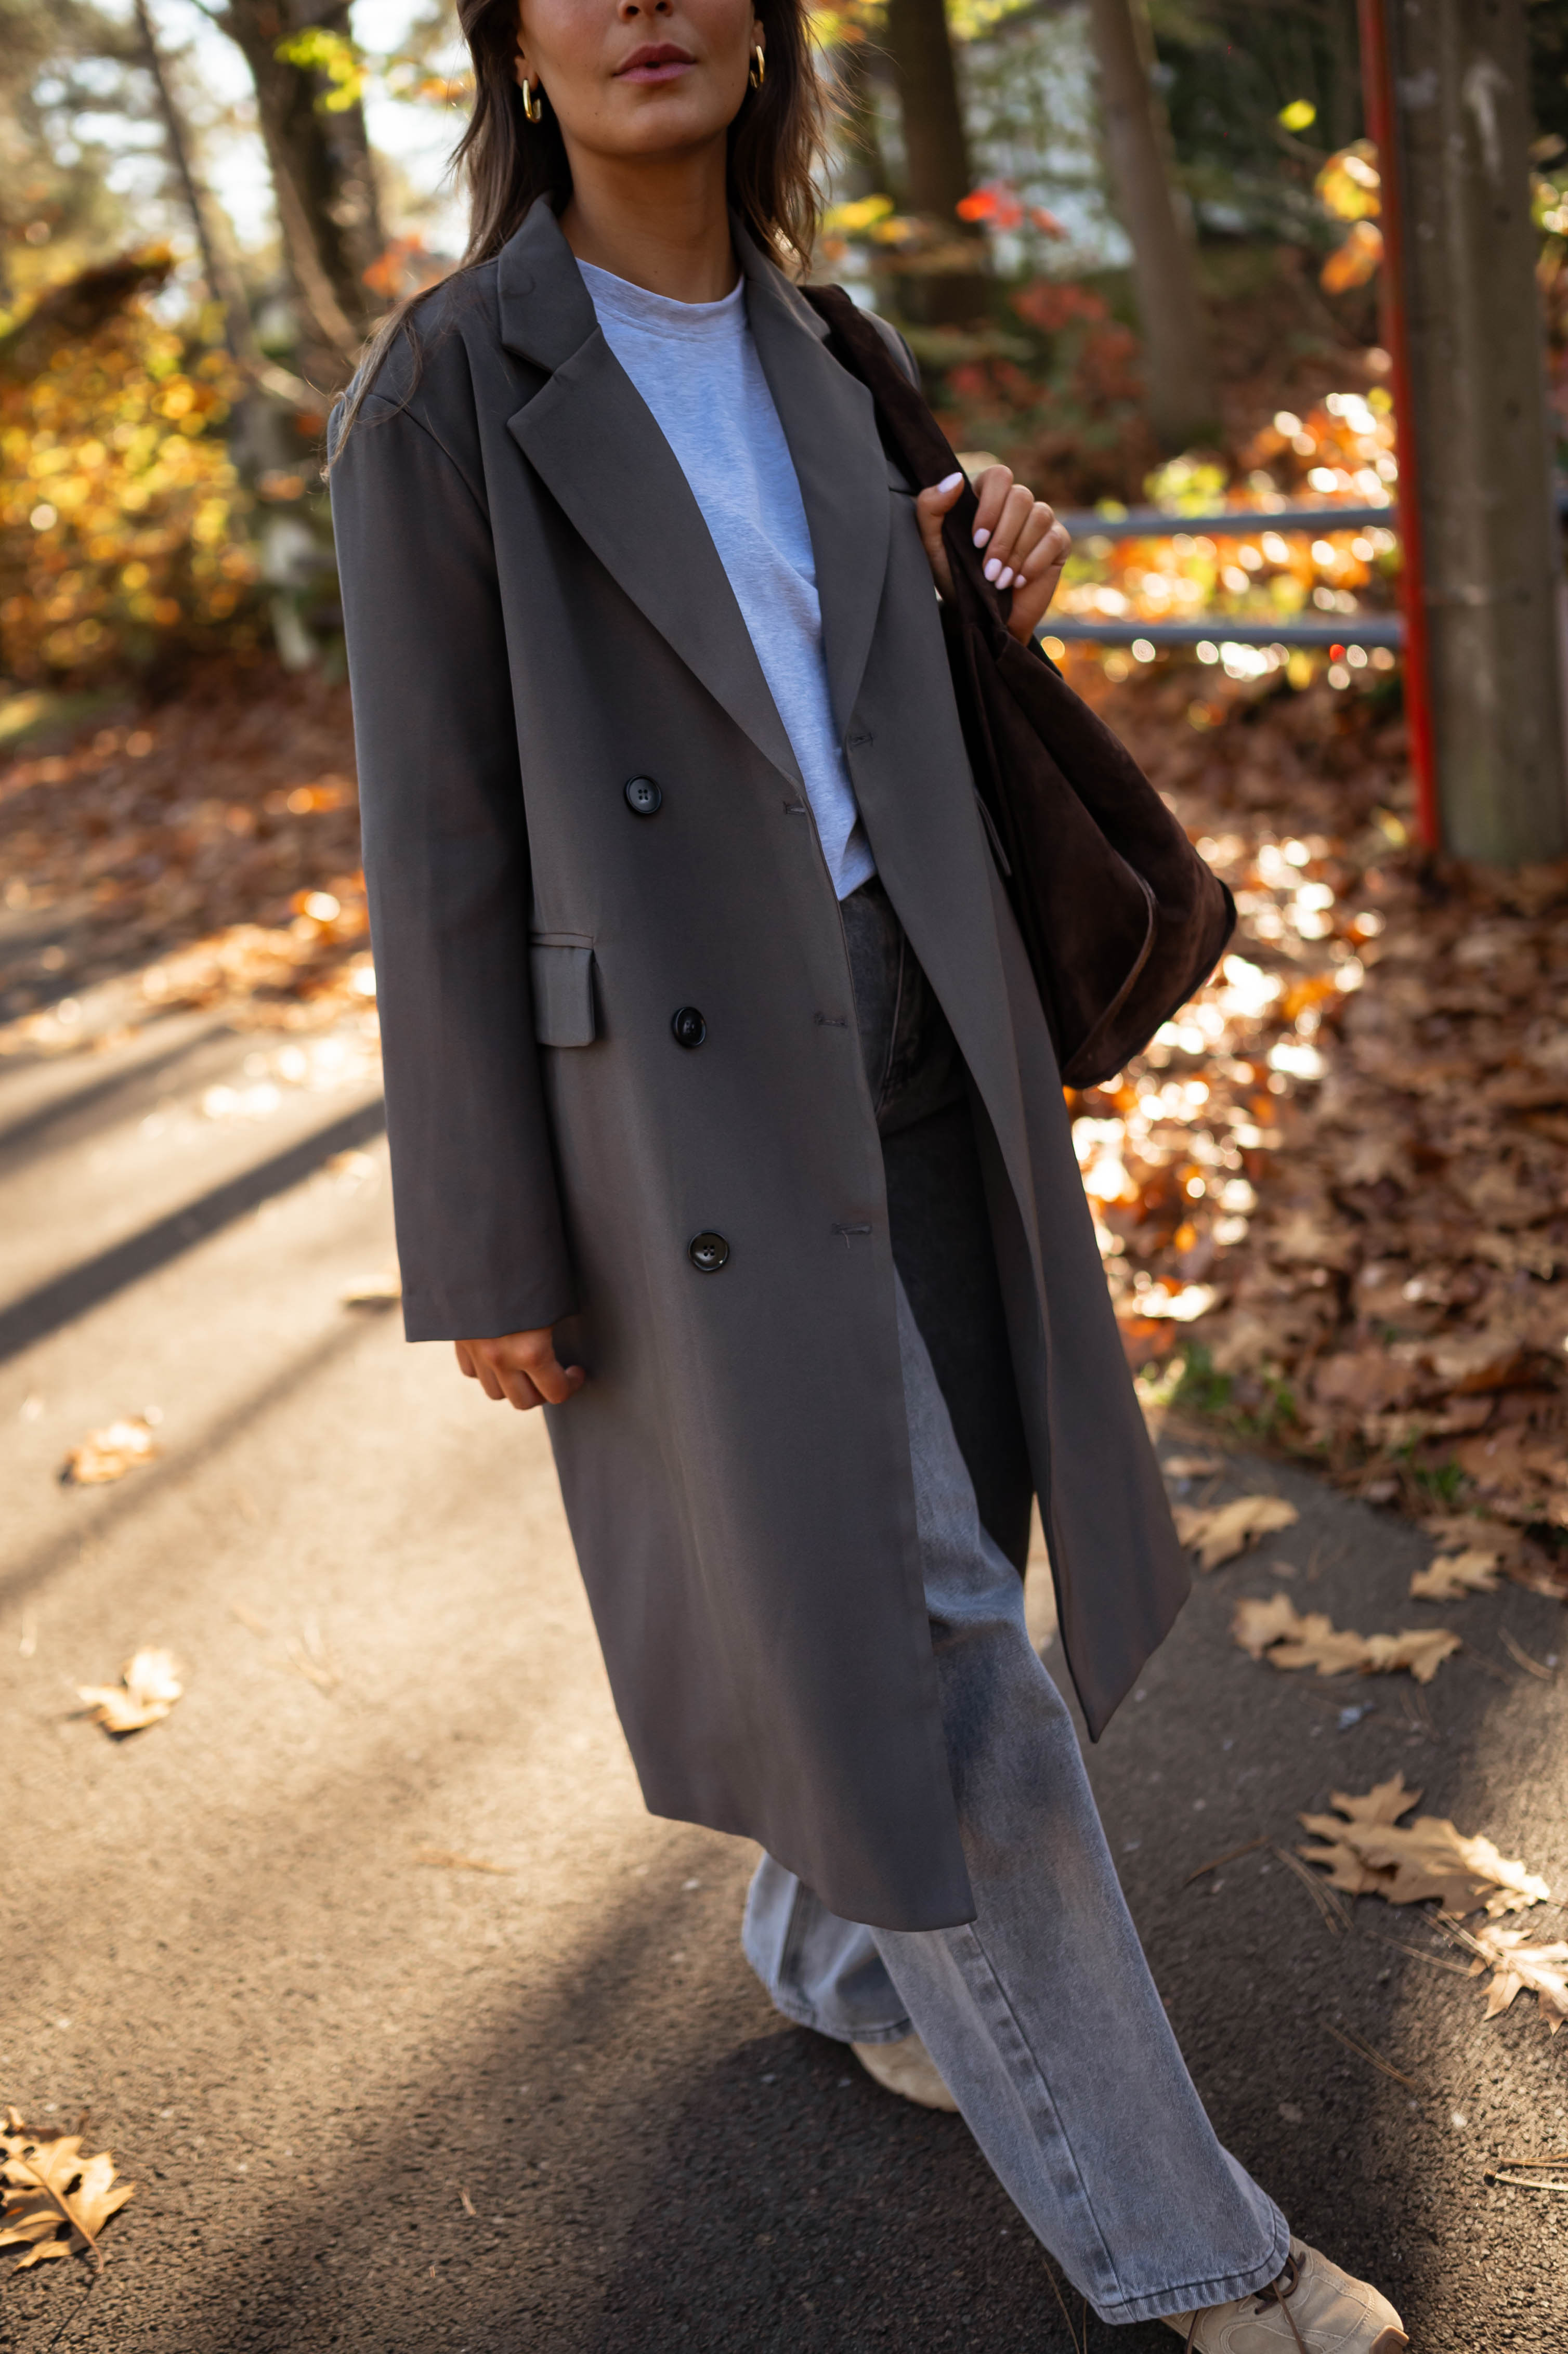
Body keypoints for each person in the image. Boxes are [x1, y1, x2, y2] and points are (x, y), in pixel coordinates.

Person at [327, 0, 1408, 2343]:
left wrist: (974, 551)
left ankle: (832, 1948)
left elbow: (859, 685)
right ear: (517, 59)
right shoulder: (448, 389)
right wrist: (488, 1238)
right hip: (684, 1107)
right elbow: (433, 848)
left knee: (961, 1554)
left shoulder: (833, 344)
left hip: (918, 1011)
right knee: (933, 1663)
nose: (648, 8)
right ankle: (1187, 2247)